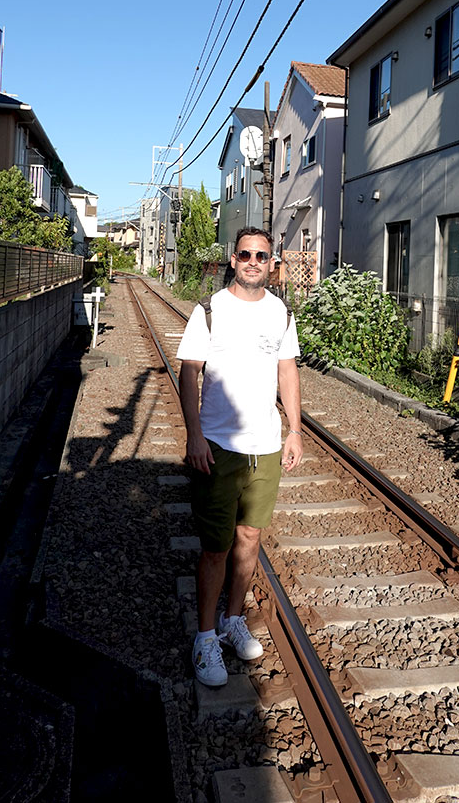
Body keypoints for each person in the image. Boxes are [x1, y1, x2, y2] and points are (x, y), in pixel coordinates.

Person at [177, 226, 303, 687]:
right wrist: (194, 436)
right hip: (218, 445)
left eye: (262, 255)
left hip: (265, 446)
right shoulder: (209, 311)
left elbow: (286, 370)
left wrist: (294, 431)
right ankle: (206, 636)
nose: (253, 261)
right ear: (233, 259)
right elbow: (189, 374)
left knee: (250, 538)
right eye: (246, 254)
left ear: (273, 263)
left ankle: (233, 619)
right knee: (216, 548)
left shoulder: (281, 312)